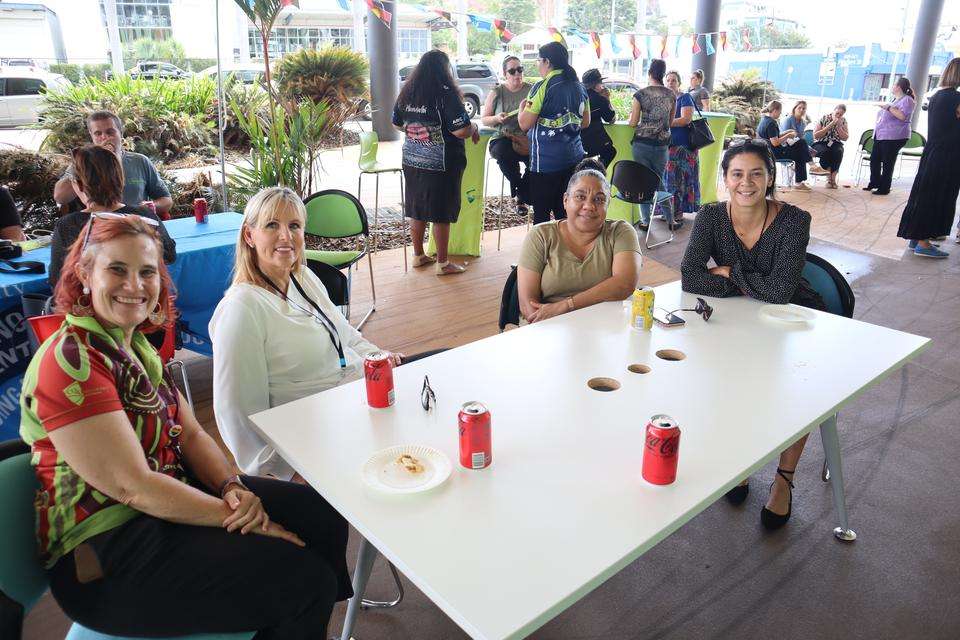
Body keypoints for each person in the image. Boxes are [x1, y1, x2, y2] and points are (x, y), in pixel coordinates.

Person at [20, 214, 352, 638]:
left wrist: (231, 486)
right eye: (117, 269)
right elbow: (133, 487)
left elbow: (191, 434)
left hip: (166, 502)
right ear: (85, 274)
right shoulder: (71, 360)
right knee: (304, 582)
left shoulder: (134, 345)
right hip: (107, 552)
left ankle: (298, 626)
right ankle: (296, 615)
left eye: (147, 272)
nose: (135, 285)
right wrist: (242, 517)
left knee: (319, 515)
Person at [210, 186, 403, 480]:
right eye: (272, 225)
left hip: (359, 403)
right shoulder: (242, 308)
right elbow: (236, 413)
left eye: (294, 226)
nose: (286, 236)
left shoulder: (303, 277)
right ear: (249, 236)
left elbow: (345, 333)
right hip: (319, 437)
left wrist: (378, 358)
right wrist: (289, 473)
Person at [680, 139, 825, 530]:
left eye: (756, 174)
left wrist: (729, 272)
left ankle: (784, 478)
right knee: (725, 379)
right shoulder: (711, 216)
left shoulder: (794, 221)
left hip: (794, 318)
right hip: (741, 315)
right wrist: (747, 286)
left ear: (770, 177)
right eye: (738, 174)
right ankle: (742, 462)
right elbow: (690, 276)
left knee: (798, 390)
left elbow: (781, 292)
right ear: (726, 178)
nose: (746, 183)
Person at [517, 158, 642, 323]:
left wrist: (567, 305)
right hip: (550, 327)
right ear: (565, 200)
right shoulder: (540, 236)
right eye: (580, 196)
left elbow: (624, 284)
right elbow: (529, 308)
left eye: (599, 199)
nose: (589, 206)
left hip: (606, 326)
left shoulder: (621, 232)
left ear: (607, 204)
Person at [393, 49, 479, 275]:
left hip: (412, 160)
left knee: (417, 207)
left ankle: (418, 256)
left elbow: (397, 123)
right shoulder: (445, 94)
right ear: (444, 70)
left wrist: (416, 132)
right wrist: (474, 127)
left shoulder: (408, 93)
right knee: (441, 210)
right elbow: (461, 130)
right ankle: (443, 263)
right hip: (441, 164)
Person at [48, 145, 175, 287]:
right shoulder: (144, 215)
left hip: (91, 299)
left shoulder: (68, 225)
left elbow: (57, 279)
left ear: (80, 185)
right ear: (121, 180)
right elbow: (169, 255)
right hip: (142, 295)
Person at [518, 41, 590, 225]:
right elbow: (585, 122)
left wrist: (521, 109)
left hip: (545, 164)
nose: (538, 65)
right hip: (574, 160)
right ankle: (566, 245)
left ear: (547, 62)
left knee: (542, 219)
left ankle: (544, 246)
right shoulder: (579, 87)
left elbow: (525, 124)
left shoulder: (543, 86)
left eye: (538, 60)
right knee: (565, 215)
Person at [53, 111, 173, 216]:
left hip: (136, 225)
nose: (104, 137)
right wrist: (84, 164)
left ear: (120, 133)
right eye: (98, 134)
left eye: (110, 132)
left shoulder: (140, 161)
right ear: (91, 136)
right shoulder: (82, 164)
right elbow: (60, 197)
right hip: (98, 227)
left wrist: (151, 206)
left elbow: (166, 200)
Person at [897, 58, 960, 257]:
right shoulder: (956, 99)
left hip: (933, 152)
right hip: (948, 155)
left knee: (924, 194)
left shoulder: (937, 96)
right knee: (937, 196)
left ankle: (916, 237)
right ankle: (923, 243)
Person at [481, 56, 532, 214]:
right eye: (512, 71)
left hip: (526, 138)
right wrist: (497, 118)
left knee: (539, 159)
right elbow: (484, 119)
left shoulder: (531, 90)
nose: (517, 74)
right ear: (505, 74)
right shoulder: (497, 92)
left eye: (520, 69)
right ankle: (521, 192)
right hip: (503, 137)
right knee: (503, 153)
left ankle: (521, 195)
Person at [627, 59, 674, 227]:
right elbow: (670, 122)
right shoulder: (671, 95)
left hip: (642, 144)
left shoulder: (640, 94)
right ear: (663, 74)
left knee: (643, 182)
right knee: (658, 181)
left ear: (649, 73)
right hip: (661, 145)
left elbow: (633, 122)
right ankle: (670, 219)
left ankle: (646, 222)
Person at [865, 77, 915, 195]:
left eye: (894, 85)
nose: (892, 87)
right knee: (875, 159)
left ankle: (884, 188)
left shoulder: (907, 100)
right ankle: (875, 182)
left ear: (898, 87)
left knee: (888, 162)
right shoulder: (894, 99)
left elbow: (902, 116)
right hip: (881, 135)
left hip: (894, 136)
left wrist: (888, 107)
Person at [664, 70, 699, 228]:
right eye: (668, 80)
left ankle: (678, 212)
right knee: (670, 181)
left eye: (673, 80)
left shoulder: (684, 97)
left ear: (679, 83)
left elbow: (686, 119)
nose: (670, 83)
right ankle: (670, 211)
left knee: (681, 181)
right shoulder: (666, 99)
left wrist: (666, 122)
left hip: (684, 147)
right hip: (670, 146)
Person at [757, 100, 813, 191]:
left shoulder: (764, 120)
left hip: (767, 151)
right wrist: (788, 136)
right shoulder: (771, 123)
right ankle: (803, 177)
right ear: (775, 110)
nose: (780, 114)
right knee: (800, 152)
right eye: (780, 111)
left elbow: (773, 136)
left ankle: (810, 168)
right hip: (775, 153)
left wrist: (786, 132)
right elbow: (775, 142)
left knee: (801, 145)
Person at [580, 68, 617, 169]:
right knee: (610, 152)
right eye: (601, 83)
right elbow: (611, 119)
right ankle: (598, 173)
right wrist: (607, 99)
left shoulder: (577, 96)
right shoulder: (599, 99)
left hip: (577, 142)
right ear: (596, 85)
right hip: (594, 142)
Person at [782, 100, 828, 178]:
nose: (801, 110)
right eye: (799, 108)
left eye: (804, 108)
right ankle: (812, 167)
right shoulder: (788, 120)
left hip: (797, 146)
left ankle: (799, 176)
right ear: (794, 108)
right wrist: (806, 148)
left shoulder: (803, 122)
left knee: (806, 151)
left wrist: (809, 148)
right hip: (785, 146)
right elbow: (785, 137)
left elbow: (800, 138)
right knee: (803, 150)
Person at [812, 104, 850, 189]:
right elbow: (816, 136)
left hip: (835, 143)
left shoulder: (843, 121)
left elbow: (845, 138)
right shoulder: (824, 118)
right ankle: (828, 177)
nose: (838, 116)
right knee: (826, 151)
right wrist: (830, 125)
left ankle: (833, 178)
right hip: (822, 142)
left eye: (841, 114)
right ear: (833, 111)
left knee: (839, 151)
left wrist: (839, 127)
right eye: (837, 113)